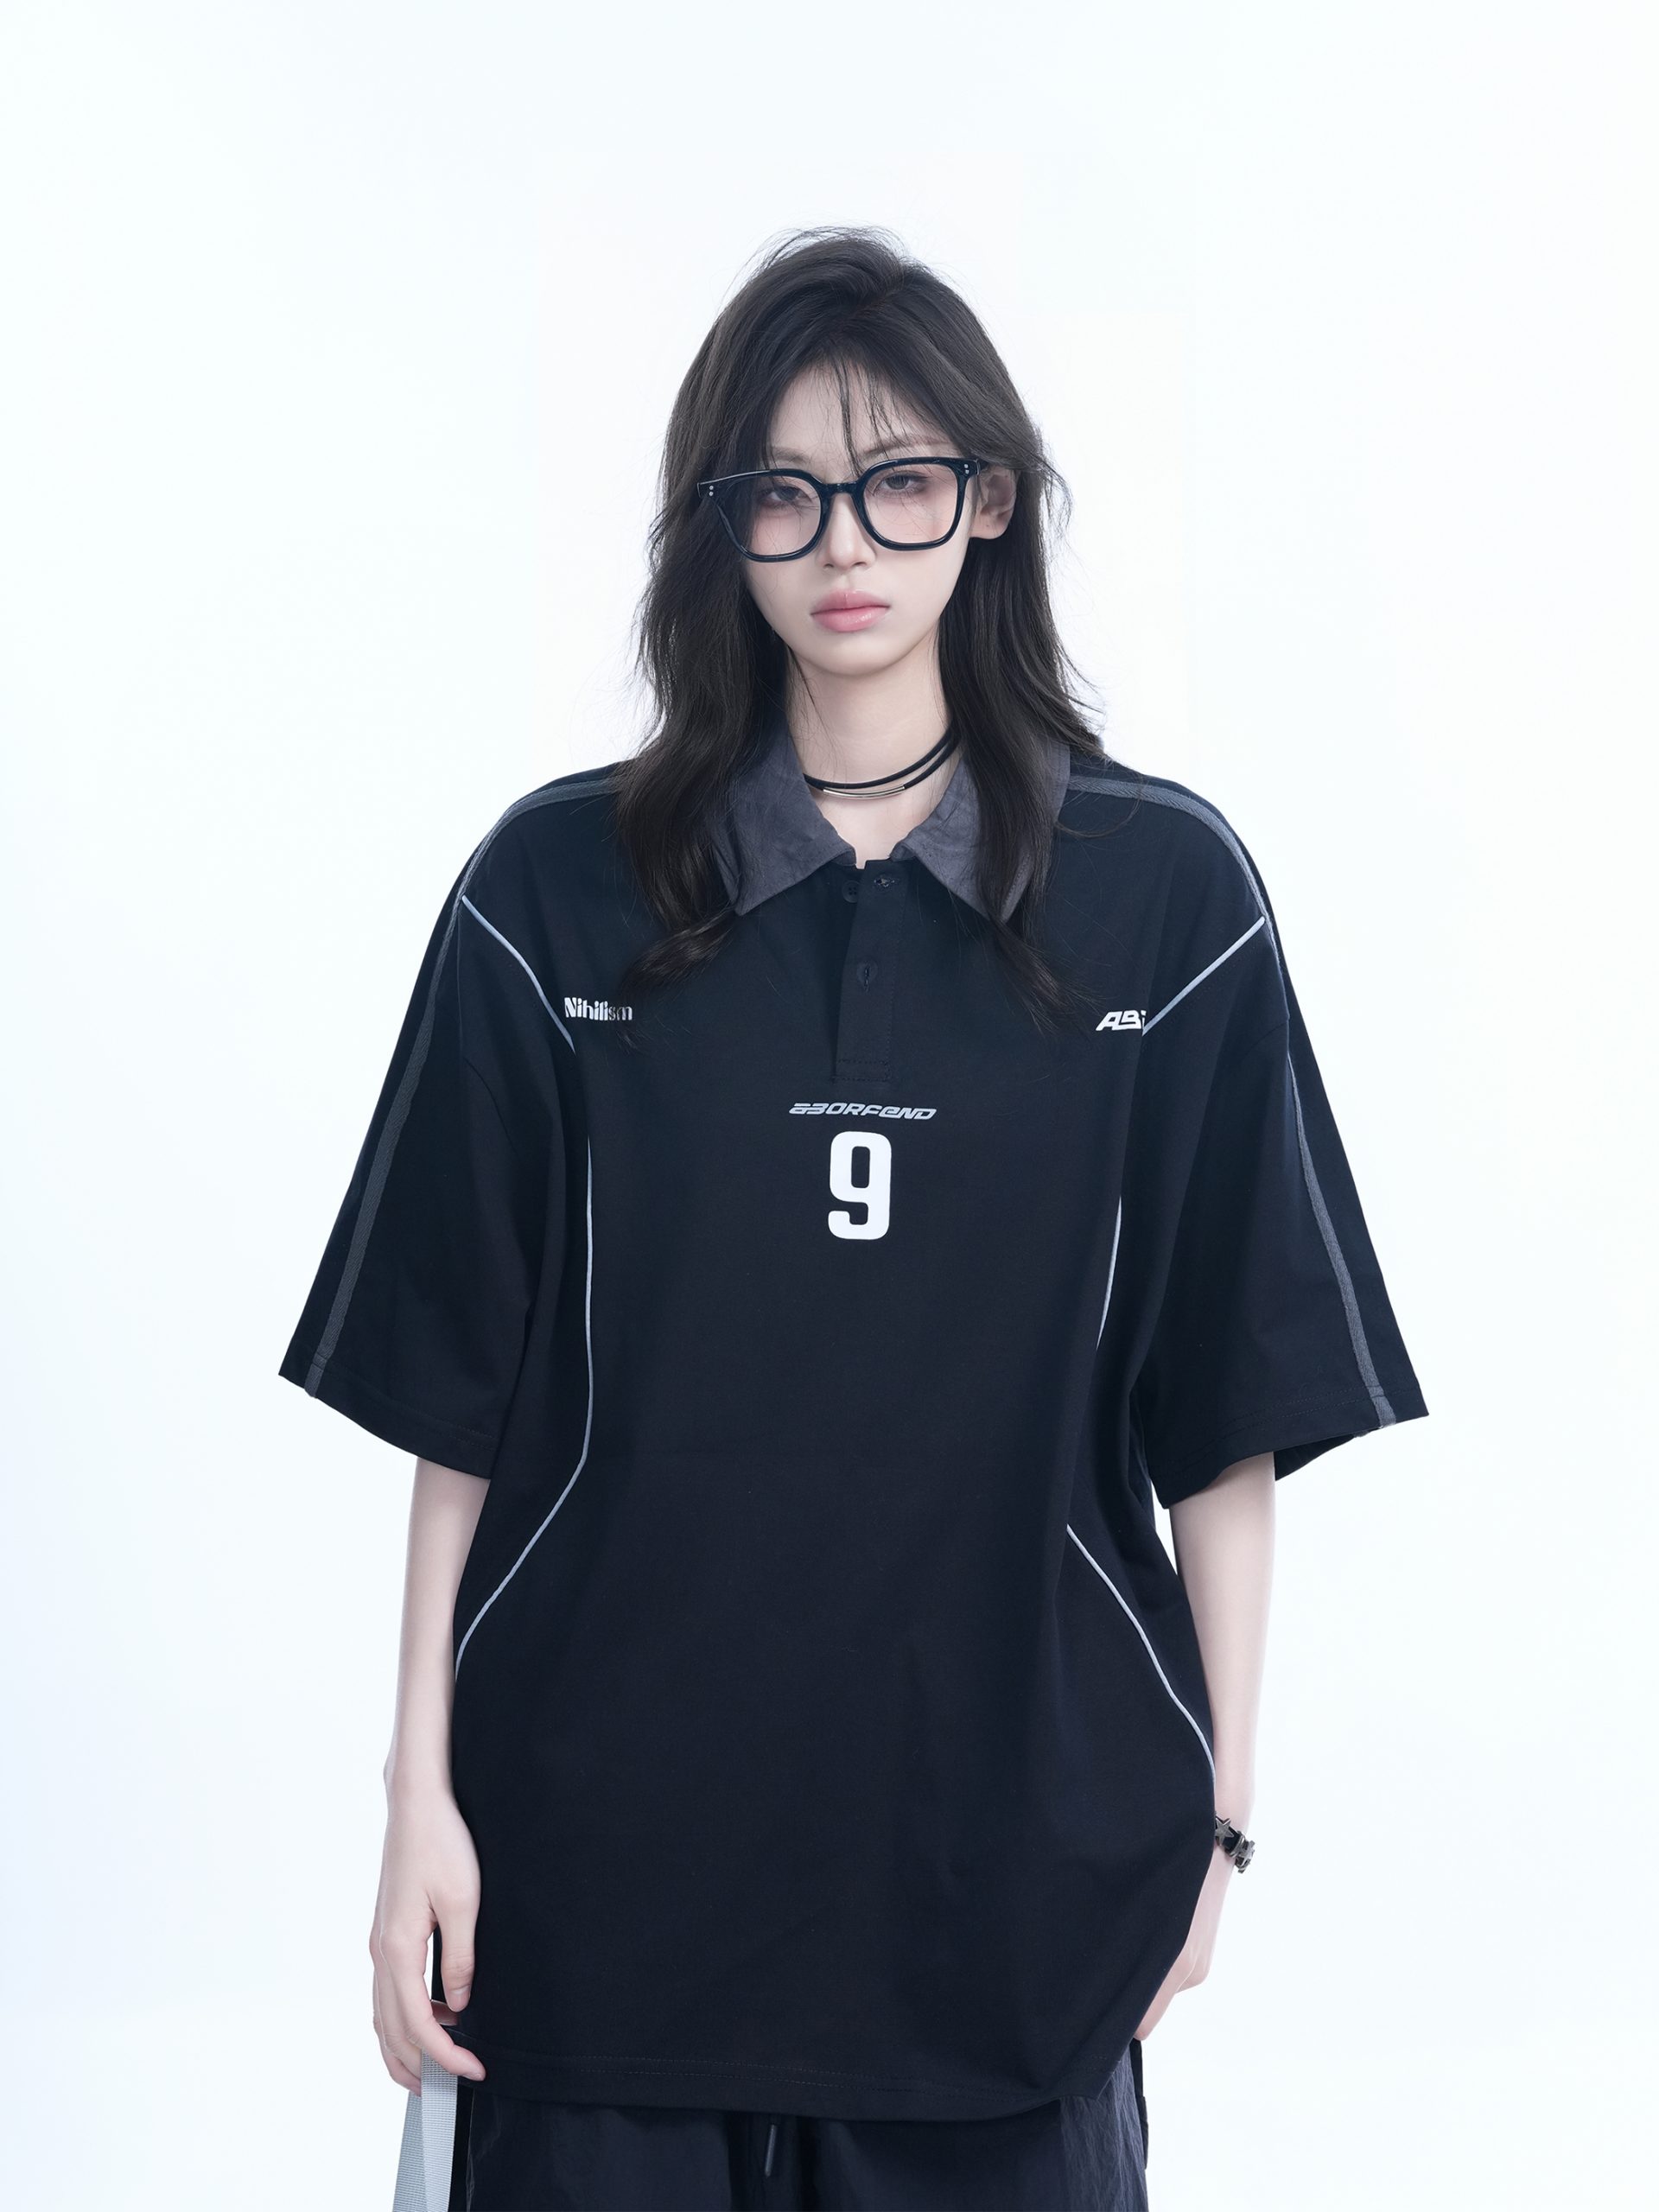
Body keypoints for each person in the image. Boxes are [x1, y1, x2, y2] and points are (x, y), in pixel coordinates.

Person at [279, 226, 1428, 2211]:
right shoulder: (551, 892)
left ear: (987, 499)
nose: (843, 542)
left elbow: (1226, 1410)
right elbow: (459, 1405)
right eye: (783, 490)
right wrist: (417, 1795)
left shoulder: (1166, 899)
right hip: (593, 1879)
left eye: (900, 480)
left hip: (1014, 1892)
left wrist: (1220, 1812)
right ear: (715, 523)